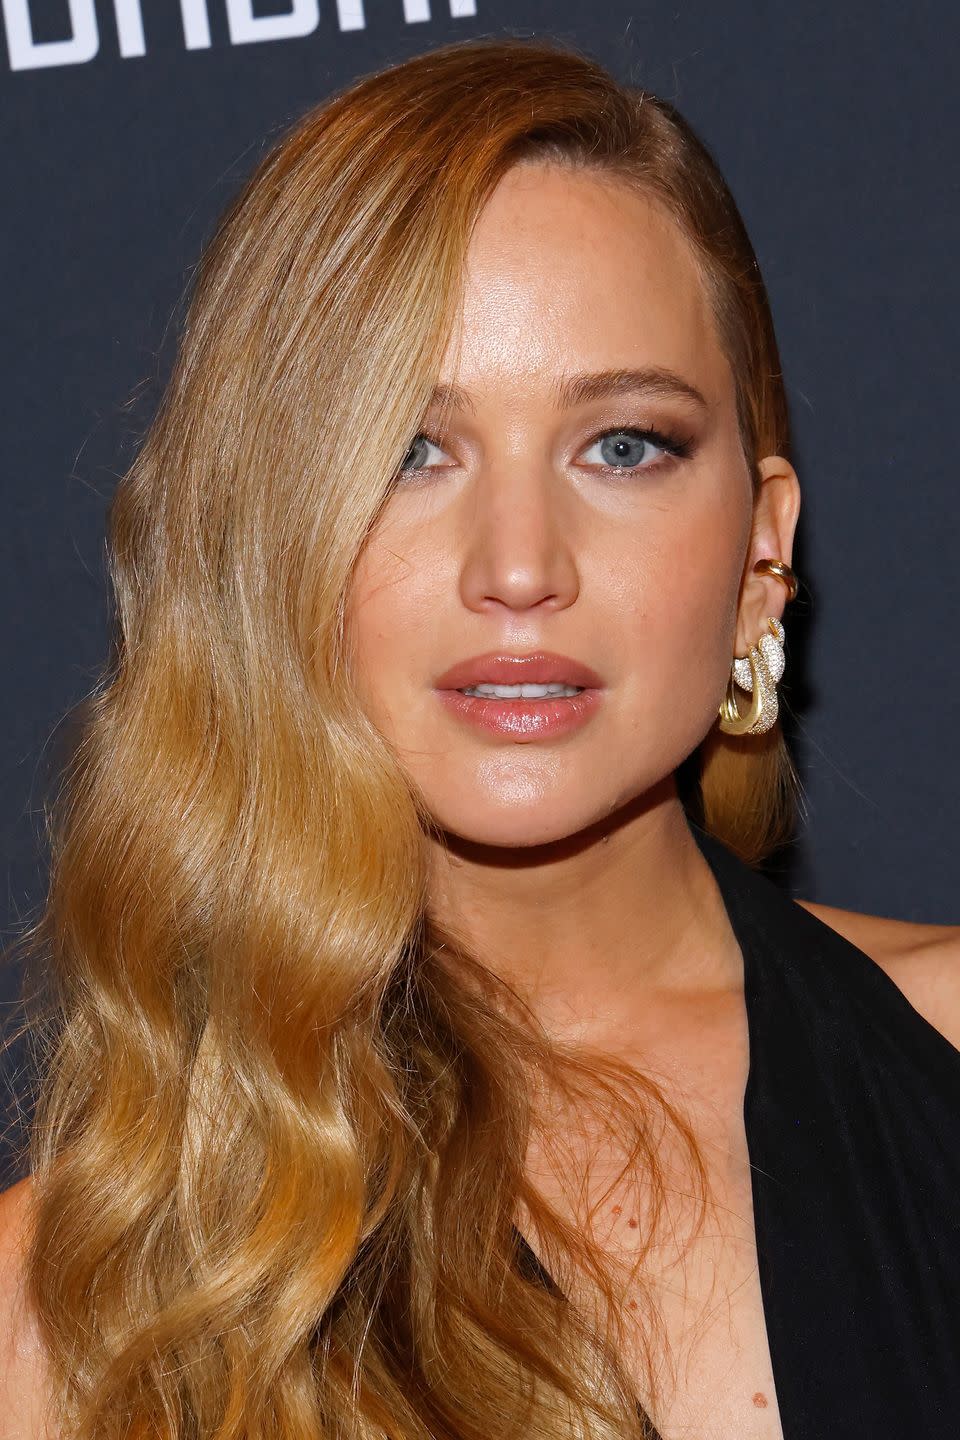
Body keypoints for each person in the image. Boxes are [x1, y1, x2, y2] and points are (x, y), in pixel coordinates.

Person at [1, 34, 958, 1440]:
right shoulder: (70, 1310)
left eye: (623, 445)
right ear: (268, 543)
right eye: (407, 449)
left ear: (762, 550)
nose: (520, 567)